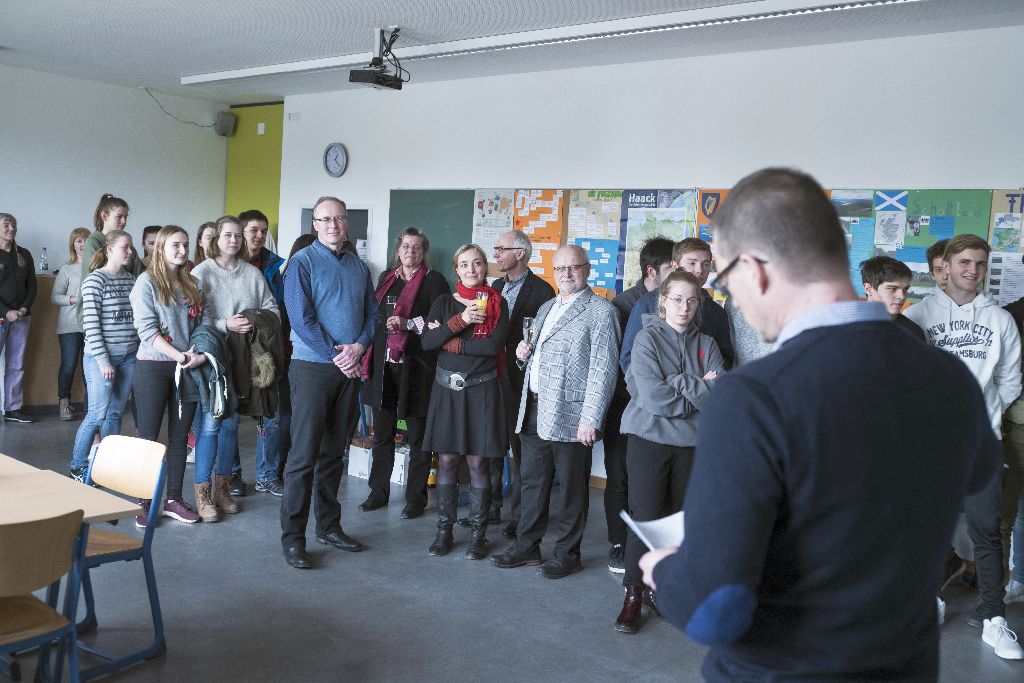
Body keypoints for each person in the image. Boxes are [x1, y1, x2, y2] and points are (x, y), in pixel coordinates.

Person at [638, 168, 1016, 679]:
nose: (730, 300)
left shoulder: (753, 398)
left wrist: (664, 569)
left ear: (756, 270)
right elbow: (973, 473)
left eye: (725, 280)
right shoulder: (947, 378)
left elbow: (713, 610)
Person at [904, 234, 1023, 658]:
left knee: (987, 533)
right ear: (947, 266)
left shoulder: (1000, 320)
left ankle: (994, 620)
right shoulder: (916, 315)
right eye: (966, 262)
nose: (973, 270)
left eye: (981, 264)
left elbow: (1010, 380)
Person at [492, 244, 620, 579]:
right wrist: (523, 355)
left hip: (572, 415)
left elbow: (603, 370)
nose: (567, 274)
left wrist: (591, 418)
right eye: (560, 268)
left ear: (587, 269)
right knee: (532, 483)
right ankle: (527, 546)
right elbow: (539, 357)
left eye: (574, 268)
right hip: (533, 409)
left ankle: (567, 553)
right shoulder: (548, 306)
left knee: (571, 489)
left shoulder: (601, 312)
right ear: (553, 270)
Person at [615, 269, 724, 634]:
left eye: (691, 301)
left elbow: (717, 399)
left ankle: (662, 590)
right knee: (645, 518)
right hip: (648, 440)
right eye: (676, 299)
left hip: (690, 445)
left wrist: (676, 381)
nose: (684, 307)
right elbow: (654, 399)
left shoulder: (708, 344)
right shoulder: (647, 340)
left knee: (676, 521)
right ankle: (633, 593)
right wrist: (694, 386)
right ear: (663, 301)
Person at [280, 196, 377, 569]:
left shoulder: (358, 266)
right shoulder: (301, 264)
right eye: (325, 219)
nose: (333, 225)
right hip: (312, 369)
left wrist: (359, 347)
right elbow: (301, 320)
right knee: (303, 456)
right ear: (315, 225)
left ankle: (329, 526)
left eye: (339, 218)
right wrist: (338, 356)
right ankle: (292, 539)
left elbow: (371, 314)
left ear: (346, 223)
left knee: (334, 453)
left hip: (348, 368)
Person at [419, 244, 509, 559]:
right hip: (447, 392)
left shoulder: (498, 303)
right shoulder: (444, 302)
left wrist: (451, 343)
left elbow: (493, 347)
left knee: (477, 463)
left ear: (486, 267)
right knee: (446, 461)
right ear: (456, 269)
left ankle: (477, 535)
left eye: (478, 263)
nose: (471, 270)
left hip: (482, 391)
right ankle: (444, 531)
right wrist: (461, 321)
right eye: (465, 264)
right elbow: (428, 342)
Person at [191, 215, 279, 520]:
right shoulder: (201, 273)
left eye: (238, 236)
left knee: (230, 426)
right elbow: (192, 317)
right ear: (216, 239)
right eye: (228, 235)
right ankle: (202, 495)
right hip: (213, 359)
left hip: (243, 360)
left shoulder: (252, 274)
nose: (234, 240)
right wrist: (223, 323)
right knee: (212, 423)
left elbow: (272, 310)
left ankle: (223, 490)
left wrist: (252, 319)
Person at [359, 228, 450, 517]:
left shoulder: (434, 280)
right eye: (406, 246)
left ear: (424, 252)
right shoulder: (387, 277)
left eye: (417, 247)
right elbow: (374, 316)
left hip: (418, 370)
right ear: (398, 250)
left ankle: (415, 499)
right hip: (385, 367)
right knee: (382, 435)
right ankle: (378, 492)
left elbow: (442, 322)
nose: (410, 251)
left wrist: (408, 323)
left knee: (418, 440)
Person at [604, 236, 675, 573]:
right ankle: (619, 544)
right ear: (652, 271)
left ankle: (651, 551)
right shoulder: (625, 305)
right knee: (619, 478)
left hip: (660, 409)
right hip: (625, 405)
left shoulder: (679, 303)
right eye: (670, 268)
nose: (678, 272)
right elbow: (620, 361)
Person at [130, 225, 206, 527]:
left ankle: (173, 499)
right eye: (175, 245)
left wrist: (197, 353)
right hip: (153, 366)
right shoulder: (145, 283)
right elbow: (147, 331)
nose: (182, 251)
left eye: (185, 245)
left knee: (179, 437)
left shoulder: (193, 283)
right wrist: (180, 355)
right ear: (160, 248)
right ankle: (145, 501)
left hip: (186, 367)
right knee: (148, 437)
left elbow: (204, 322)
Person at [490, 230, 555, 538]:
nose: (496, 254)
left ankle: (519, 517)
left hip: (521, 381)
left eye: (501, 249)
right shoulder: (495, 285)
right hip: (491, 376)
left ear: (519, 253)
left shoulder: (542, 290)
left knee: (521, 453)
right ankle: (489, 509)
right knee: (491, 444)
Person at [69, 230, 138, 481]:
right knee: (97, 413)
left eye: (131, 247)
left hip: (129, 356)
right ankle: (77, 466)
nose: (130, 252)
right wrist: (103, 360)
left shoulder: (131, 280)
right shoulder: (94, 281)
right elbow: (91, 325)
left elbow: (136, 320)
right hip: (101, 359)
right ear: (109, 249)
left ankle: (109, 466)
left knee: (116, 413)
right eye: (125, 247)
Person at [233, 209, 289, 497]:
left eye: (263, 231)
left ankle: (267, 475)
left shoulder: (274, 266)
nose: (259, 235)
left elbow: (277, 307)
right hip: (234, 347)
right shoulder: (228, 265)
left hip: (267, 348)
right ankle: (232, 476)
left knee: (272, 415)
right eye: (253, 229)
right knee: (230, 415)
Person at [620, 237, 734, 374]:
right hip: (654, 391)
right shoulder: (648, 302)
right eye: (692, 263)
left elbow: (725, 360)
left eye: (705, 264)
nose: (700, 270)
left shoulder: (716, 312)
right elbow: (628, 359)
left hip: (701, 393)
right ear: (675, 265)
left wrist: (701, 386)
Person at [79, 194, 143, 324]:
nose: (124, 221)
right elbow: (96, 277)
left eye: (125, 217)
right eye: (119, 217)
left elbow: (139, 278)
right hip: (100, 314)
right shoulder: (93, 241)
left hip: (124, 313)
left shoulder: (130, 247)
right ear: (104, 216)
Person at [0, 213, 37, 423]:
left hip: (21, 318)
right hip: (1, 317)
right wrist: (6, 311)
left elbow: (32, 285)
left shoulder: (23, 254)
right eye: (6, 225)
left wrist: (23, 308)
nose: (11, 228)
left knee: (16, 364)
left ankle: (13, 409)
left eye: (14, 225)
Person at [53, 226, 90, 421]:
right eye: (79, 241)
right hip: (69, 326)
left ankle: (91, 407)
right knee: (69, 365)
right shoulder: (67, 269)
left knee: (89, 368)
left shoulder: (97, 267)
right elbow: (55, 297)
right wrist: (75, 299)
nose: (83, 244)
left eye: (86, 240)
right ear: (73, 245)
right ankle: (64, 404)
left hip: (92, 326)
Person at [860, 255, 925, 340]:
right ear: (868, 289)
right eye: (892, 289)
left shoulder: (914, 333)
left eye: (905, 289)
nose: (902, 296)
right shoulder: (845, 326)